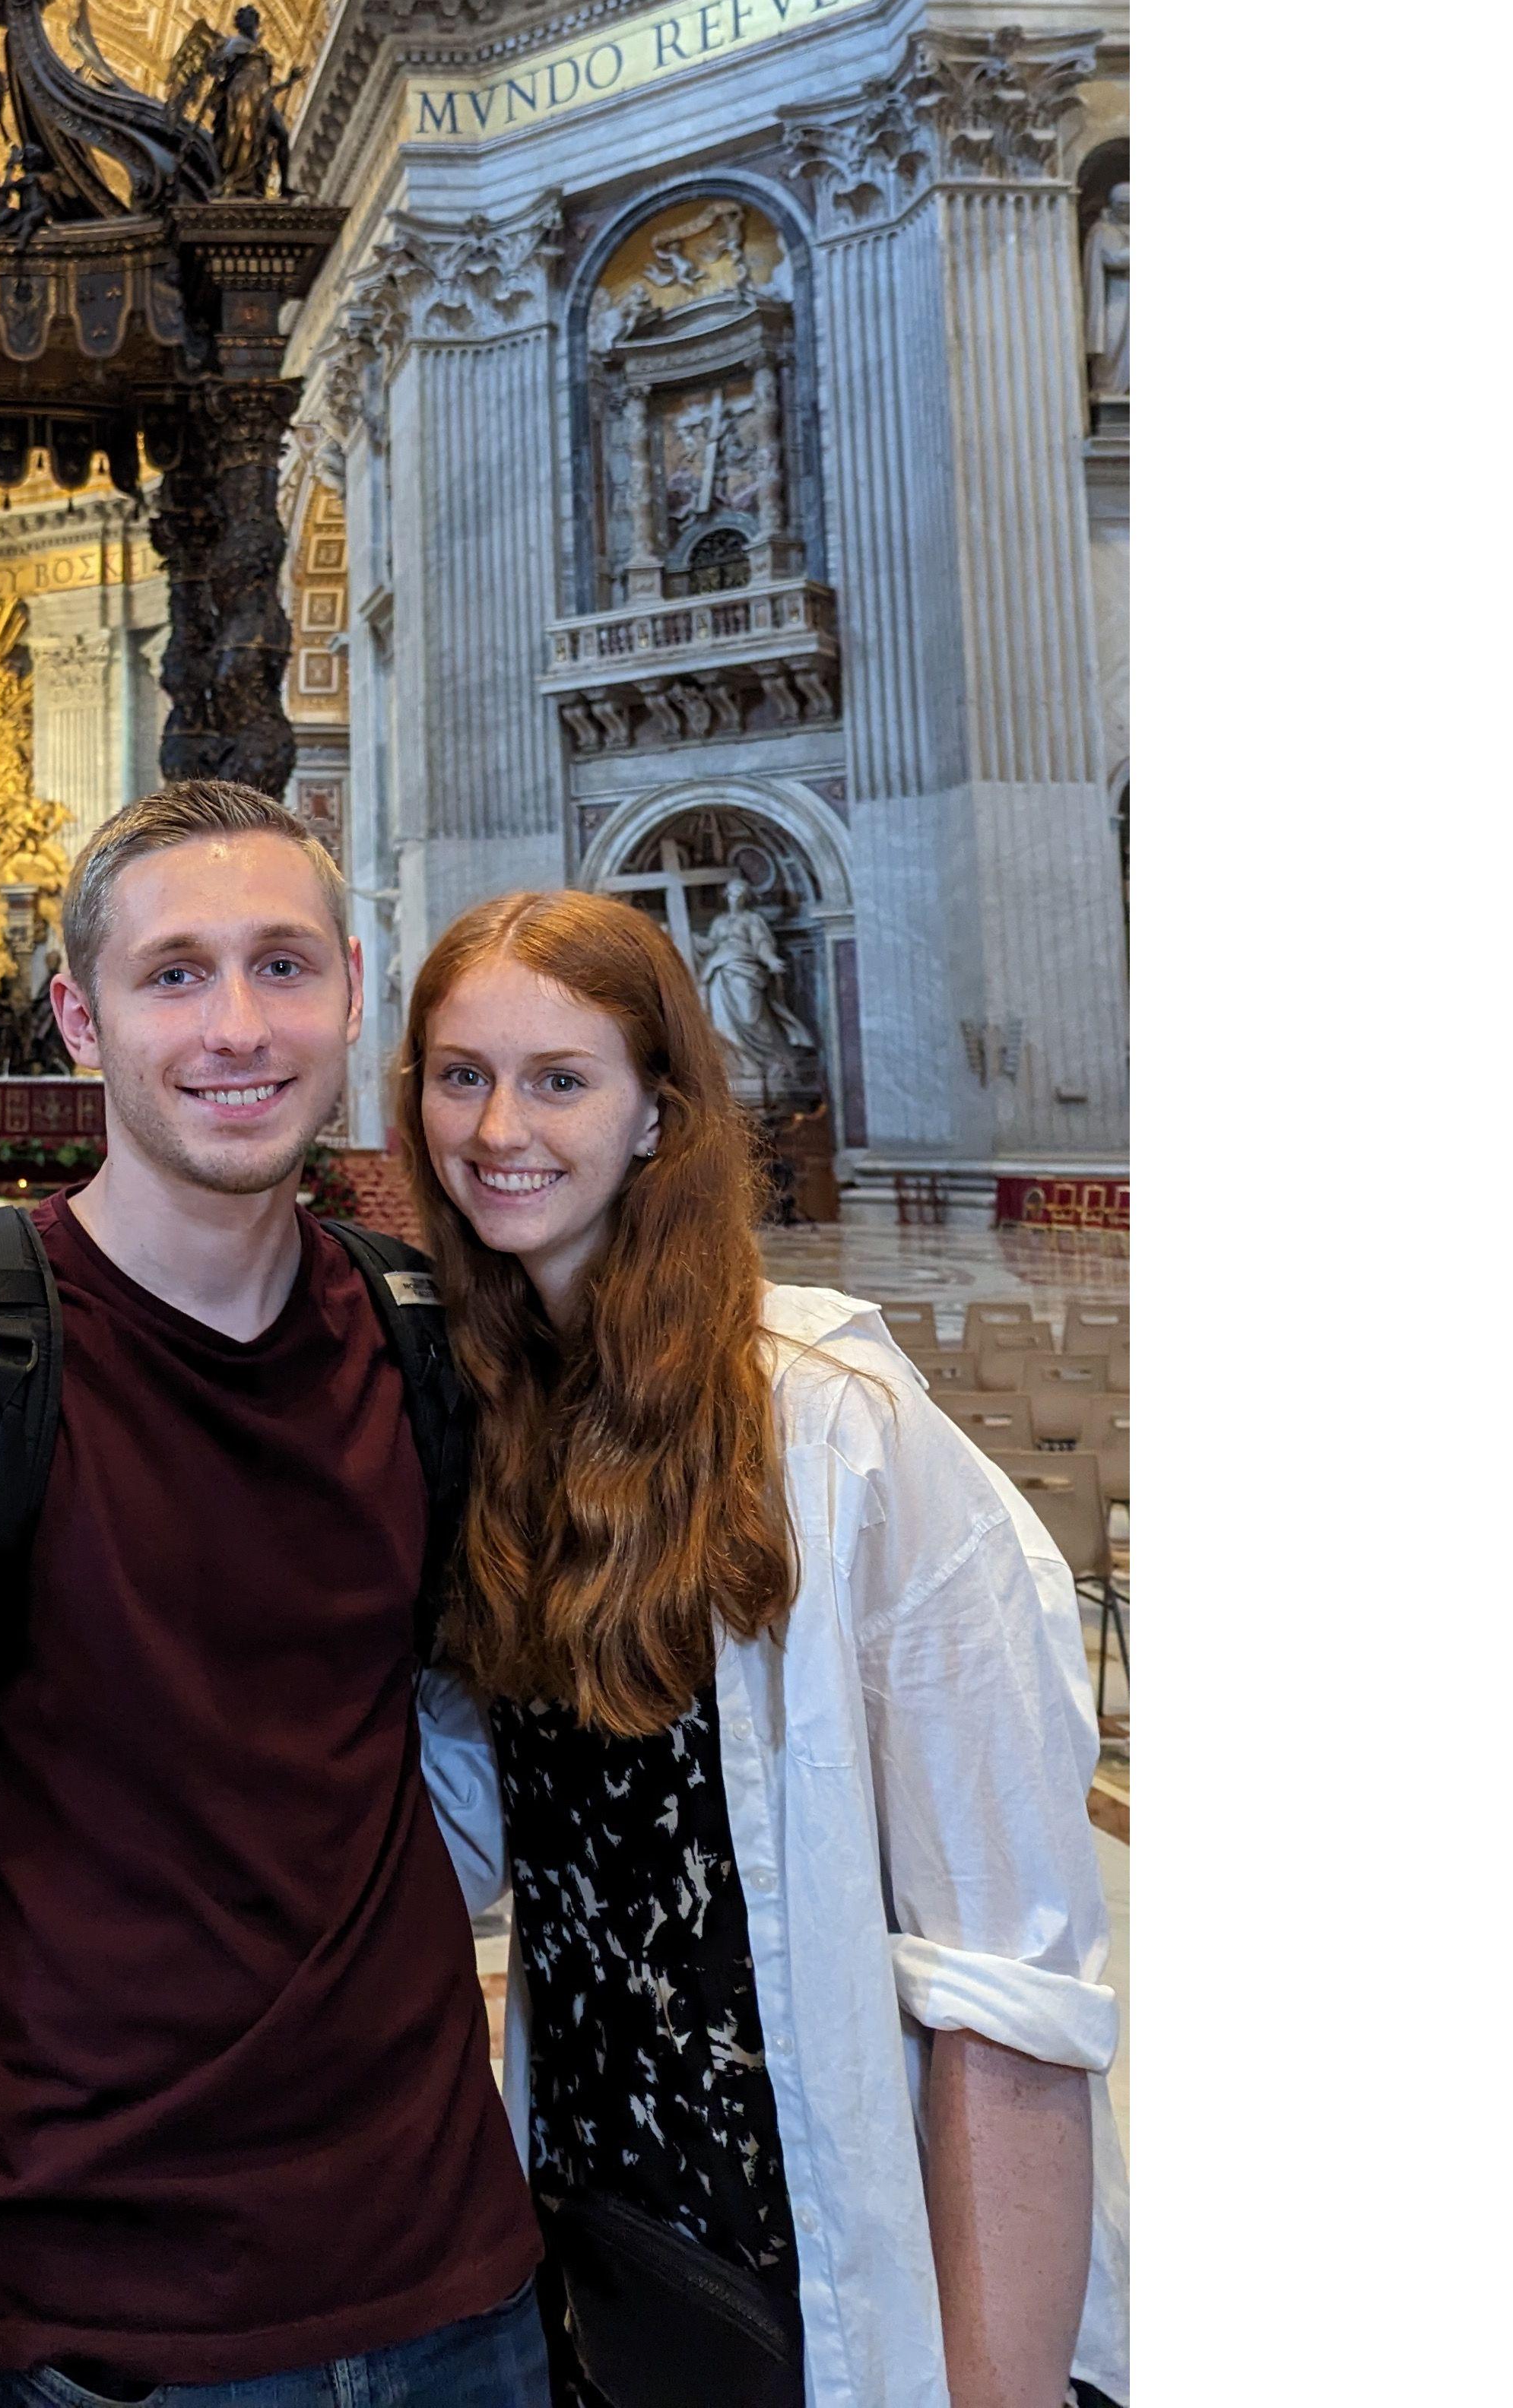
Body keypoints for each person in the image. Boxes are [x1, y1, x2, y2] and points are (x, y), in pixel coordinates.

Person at [0, 782, 548, 2408]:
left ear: (354, 991)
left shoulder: (431, 1341)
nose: (237, 1028)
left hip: (460, 2287)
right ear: (79, 1018)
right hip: (105, 2332)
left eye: (283, 966)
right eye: (175, 974)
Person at [389, 890, 1126, 2408]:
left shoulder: (842, 1432)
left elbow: (1011, 1984)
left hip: (825, 2256)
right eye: (462, 1076)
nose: (499, 1128)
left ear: (658, 1114)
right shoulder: (491, 1427)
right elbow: (466, 1853)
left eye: (559, 1079)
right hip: (589, 2243)